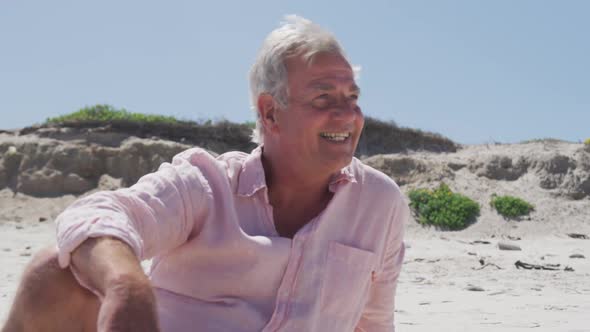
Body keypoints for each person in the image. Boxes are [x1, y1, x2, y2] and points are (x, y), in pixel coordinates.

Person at [2, 15, 408, 332]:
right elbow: (94, 215)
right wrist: (129, 287)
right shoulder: (206, 185)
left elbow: (372, 323)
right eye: (324, 97)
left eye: (352, 98)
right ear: (270, 112)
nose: (347, 114)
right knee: (53, 270)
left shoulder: (380, 202)